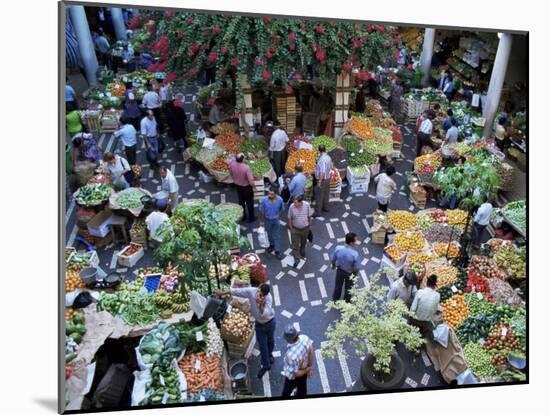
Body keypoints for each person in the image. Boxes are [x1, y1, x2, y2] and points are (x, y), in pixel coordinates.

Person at [216, 284, 276, 379]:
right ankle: (266, 365)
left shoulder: (268, 298)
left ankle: (270, 355)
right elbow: (237, 291)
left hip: (270, 323)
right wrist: (222, 293)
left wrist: (260, 304)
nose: (259, 295)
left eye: (262, 295)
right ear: (258, 288)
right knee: (263, 345)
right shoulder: (252, 291)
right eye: (259, 293)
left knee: (270, 341)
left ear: (266, 295)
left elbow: (264, 314)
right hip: (260, 325)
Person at [281, 325, 314, 397]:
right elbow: (311, 352)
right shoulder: (304, 337)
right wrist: (309, 368)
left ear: (290, 340)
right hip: (304, 369)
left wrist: (307, 370)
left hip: (293, 376)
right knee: (302, 389)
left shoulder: (290, 356)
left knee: (286, 393)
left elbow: (296, 374)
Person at [331, 233, 360, 303]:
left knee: (338, 286)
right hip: (350, 273)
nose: (356, 242)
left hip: (340, 270)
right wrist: (355, 274)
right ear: (351, 243)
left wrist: (333, 265)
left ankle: (335, 299)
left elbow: (333, 259)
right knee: (349, 288)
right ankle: (347, 301)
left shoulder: (338, 248)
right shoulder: (355, 254)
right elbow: (356, 267)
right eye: (355, 241)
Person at [409, 274, 440, 340]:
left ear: (427, 283)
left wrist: (410, 318)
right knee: (421, 336)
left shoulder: (420, 292)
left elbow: (413, 308)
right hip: (426, 323)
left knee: (411, 332)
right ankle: (420, 340)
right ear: (435, 285)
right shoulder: (437, 295)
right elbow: (434, 310)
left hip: (415, 320)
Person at [229, 153, 257, 223]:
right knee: (249, 202)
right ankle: (251, 218)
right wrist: (254, 187)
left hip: (238, 187)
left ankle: (243, 216)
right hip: (247, 188)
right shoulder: (246, 168)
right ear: (243, 159)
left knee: (241, 202)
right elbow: (251, 181)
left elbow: (231, 174)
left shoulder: (232, 164)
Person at [288, 195, 313, 268]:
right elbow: (289, 218)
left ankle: (302, 250)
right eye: (294, 202)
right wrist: (291, 228)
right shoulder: (291, 207)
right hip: (295, 229)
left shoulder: (307, 205)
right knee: (295, 244)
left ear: (301, 202)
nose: (294, 204)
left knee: (303, 242)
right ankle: (296, 259)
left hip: (305, 228)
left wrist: (309, 226)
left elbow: (309, 216)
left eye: (296, 203)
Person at [259, 190, 285, 260]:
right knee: (269, 234)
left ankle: (277, 251)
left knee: (276, 235)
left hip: (276, 220)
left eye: (272, 194)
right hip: (267, 220)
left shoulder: (280, 200)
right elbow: (261, 211)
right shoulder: (264, 200)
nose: (270, 195)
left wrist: (278, 215)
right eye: (269, 194)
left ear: (276, 194)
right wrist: (261, 221)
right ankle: (272, 245)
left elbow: (282, 209)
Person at [314, 144, 332, 215]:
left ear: (319, 151)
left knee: (319, 196)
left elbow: (322, 172)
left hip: (323, 180)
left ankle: (318, 212)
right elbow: (330, 166)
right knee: (326, 194)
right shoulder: (328, 157)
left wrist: (319, 181)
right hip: (327, 178)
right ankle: (326, 207)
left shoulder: (322, 160)